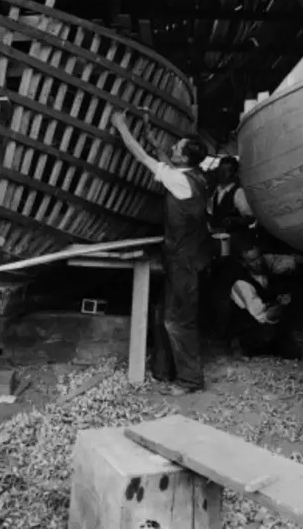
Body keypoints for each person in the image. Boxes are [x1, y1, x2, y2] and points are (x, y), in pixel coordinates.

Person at [113, 111, 212, 396]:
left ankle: (190, 381)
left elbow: (142, 158)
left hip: (184, 262)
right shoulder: (196, 177)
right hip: (188, 259)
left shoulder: (179, 181)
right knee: (167, 314)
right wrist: (150, 134)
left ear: (185, 158)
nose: (172, 149)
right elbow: (165, 160)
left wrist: (122, 128)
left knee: (178, 321)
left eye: (177, 148)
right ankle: (165, 370)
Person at [225, 240, 303, 360]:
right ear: (244, 263)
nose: (258, 262)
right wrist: (281, 304)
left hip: (269, 325)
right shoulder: (242, 284)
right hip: (251, 330)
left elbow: (287, 261)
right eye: (252, 261)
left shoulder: (265, 265)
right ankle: (239, 347)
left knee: (293, 353)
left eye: (259, 258)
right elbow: (263, 317)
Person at [209, 157, 254, 234]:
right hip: (218, 239)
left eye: (227, 170)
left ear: (235, 173)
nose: (222, 173)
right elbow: (211, 212)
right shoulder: (215, 191)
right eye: (221, 169)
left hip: (236, 240)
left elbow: (250, 218)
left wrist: (234, 220)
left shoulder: (239, 192)